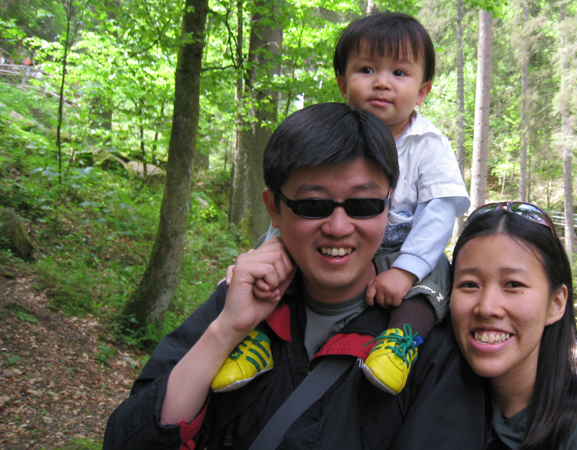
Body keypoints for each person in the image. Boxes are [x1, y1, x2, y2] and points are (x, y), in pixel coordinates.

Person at [103, 103, 485, 450]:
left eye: (364, 205)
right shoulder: (236, 305)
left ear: (391, 208)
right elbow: (129, 440)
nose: (338, 227)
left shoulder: (424, 342)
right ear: (274, 208)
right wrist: (227, 331)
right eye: (313, 205)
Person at [213, 12, 469, 396]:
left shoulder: (429, 145)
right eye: (367, 69)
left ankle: (399, 344)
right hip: (335, 246)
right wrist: (261, 256)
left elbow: (438, 215)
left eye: (399, 73)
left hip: (404, 248)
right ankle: (258, 339)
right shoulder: (329, 140)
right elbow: (295, 208)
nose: (382, 82)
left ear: (422, 91)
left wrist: (405, 270)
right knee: (285, 264)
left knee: (434, 278)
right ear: (342, 83)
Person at [449, 202, 577, 449]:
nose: (486, 307)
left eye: (513, 284)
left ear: (556, 303)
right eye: (470, 284)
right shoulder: (439, 407)